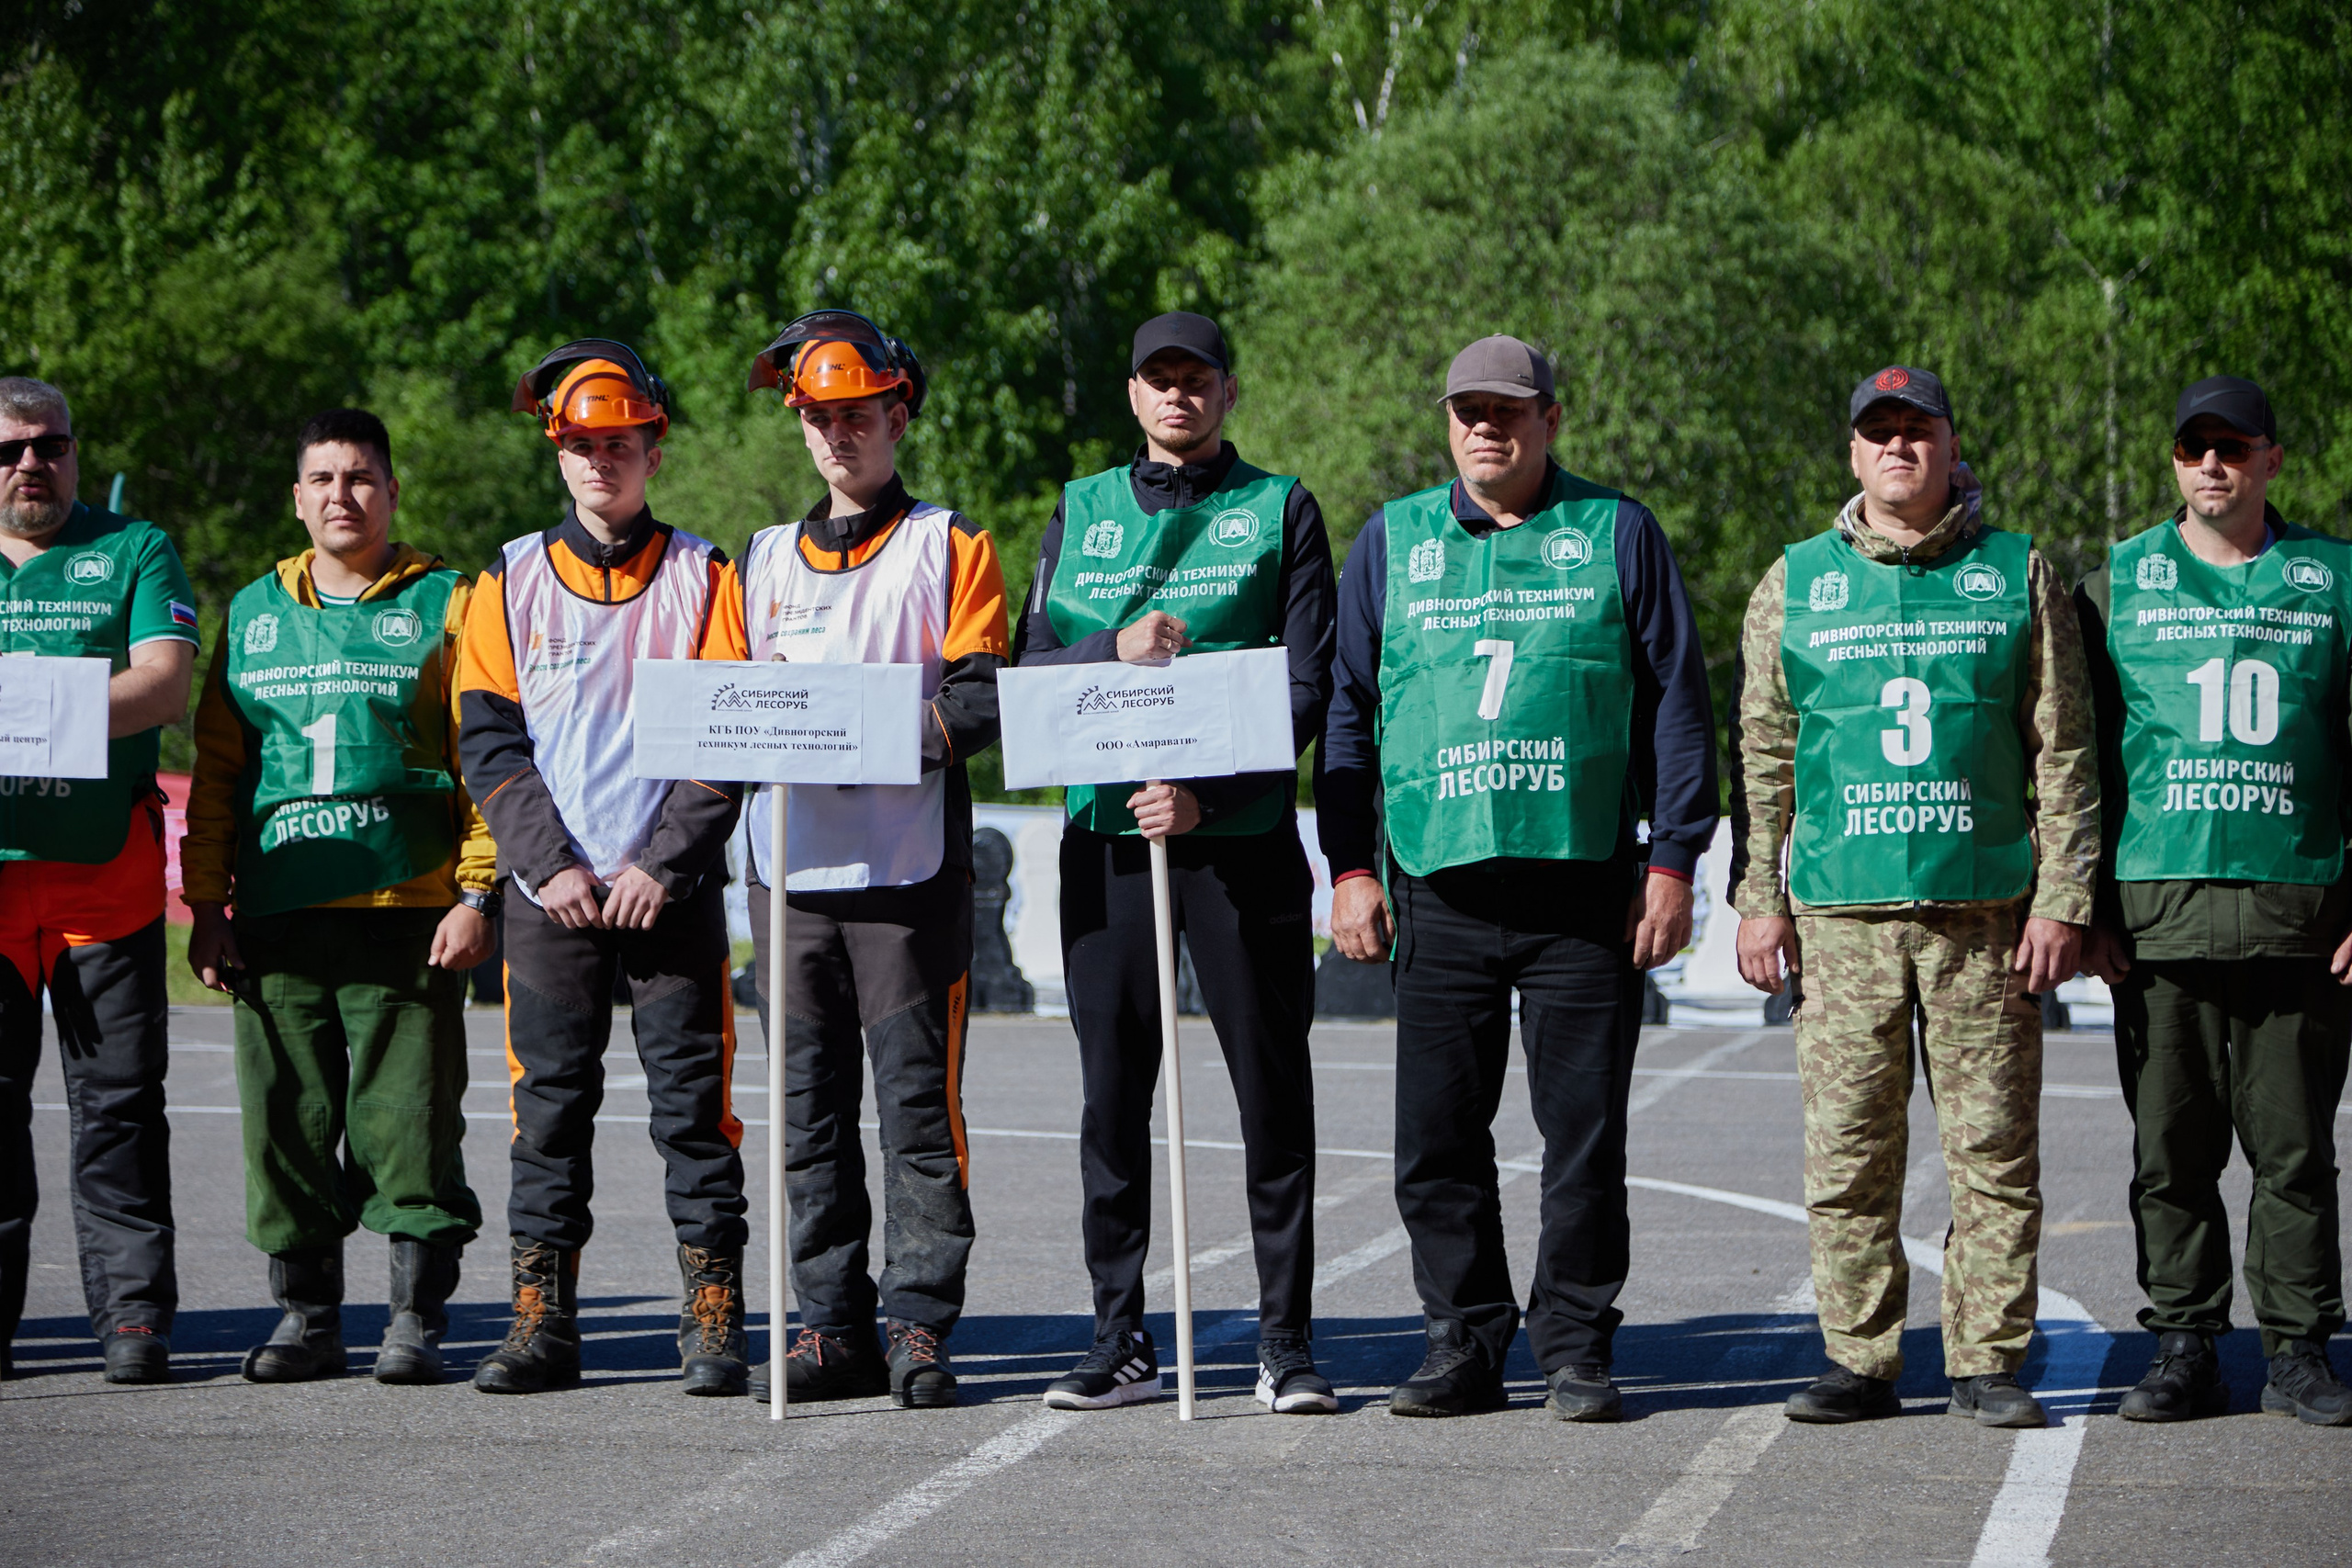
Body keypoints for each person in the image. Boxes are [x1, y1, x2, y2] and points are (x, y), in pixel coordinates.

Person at [1321, 335, 1717, 1421]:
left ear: (1550, 419)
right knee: (1435, 1141)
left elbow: (1678, 701)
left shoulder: (1616, 531)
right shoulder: (1392, 541)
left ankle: (1577, 1344)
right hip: (1438, 885)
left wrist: (1676, 860)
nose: (1485, 428)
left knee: (1582, 1135)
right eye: (1466, 411)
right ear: (1446, 423)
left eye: (1508, 409)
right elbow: (1349, 715)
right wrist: (1349, 865)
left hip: (1583, 884)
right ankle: (1462, 1342)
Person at [1729, 366, 2098, 1428]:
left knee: (1992, 1152)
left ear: (1947, 445)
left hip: (1983, 916)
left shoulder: (2014, 570)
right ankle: (1859, 1356)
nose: (1898, 448)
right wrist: (1760, 896)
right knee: (1847, 1151)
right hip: (1844, 917)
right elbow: (1763, 754)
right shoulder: (1796, 581)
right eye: (1877, 432)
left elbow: (2063, 748)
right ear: (1851, 453)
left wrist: (2064, 895)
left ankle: (1985, 1359)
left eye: (1916, 430)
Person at [1012, 311, 1339, 1413]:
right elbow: (1028, 674)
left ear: (1226, 393)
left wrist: (1210, 795)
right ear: (1134, 394)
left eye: (1197, 380)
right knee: (1112, 1102)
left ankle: (1285, 1343)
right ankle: (1120, 1336)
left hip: (1237, 848)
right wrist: (1115, 645)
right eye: (1159, 379)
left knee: (1269, 1096)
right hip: (1106, 842)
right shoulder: (1081, 508)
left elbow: (1307, 686)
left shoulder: (1280, 507)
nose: (1178, 396)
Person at [455, 341, 751, 1396]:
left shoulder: (708, 573)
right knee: (549, 1115)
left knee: (694, 1115)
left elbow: (730, 738)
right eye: (580, 446)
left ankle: (712, 1317)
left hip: (670, 898)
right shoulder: (511, 575)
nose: (599, 464)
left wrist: (663, 865)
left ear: (652, 450)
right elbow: (488, 742)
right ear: (559, 454)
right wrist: (551, 866)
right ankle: (541, 1322)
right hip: (553, 902)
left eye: (617, 445)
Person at [727, 311, 1010, 1409]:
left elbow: (982, 692)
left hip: (905, 879)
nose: (838, 434)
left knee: (917, 1120)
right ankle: (828, 1324)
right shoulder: (753, 559)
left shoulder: (950, 543)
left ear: (898, 413)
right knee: (804, 1118)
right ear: (800, 427)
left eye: (858, 414)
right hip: (787, 877)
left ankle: (919, 1323)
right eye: (818, 417)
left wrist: (872, 741)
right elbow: (721, 705)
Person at [182, 408, 496, 1385]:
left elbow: (485, 759)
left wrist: (476, 890)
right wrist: (205, 907)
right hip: (279, 918)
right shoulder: (254, 612)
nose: (341, 496)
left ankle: (415, 1316)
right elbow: (219, 776)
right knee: (286, 1120)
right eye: (322, 479)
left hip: (409, 913)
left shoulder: (453, 600)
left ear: (392, 491)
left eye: (360, 478)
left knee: (410, 1122)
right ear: (297, 498)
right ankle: (309, 1317)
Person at [2075, 375, 2352, 1427]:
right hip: (2158, 924)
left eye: (2232, 447)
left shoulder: (2331, 580)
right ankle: (2183, 1343)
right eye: (2194, 447)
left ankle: (2297, 1348)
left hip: (2302, 921)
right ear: (2173, 460)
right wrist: (2087, 902)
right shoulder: (2117, 584)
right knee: (2170, 1155)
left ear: (2272, 459)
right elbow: (2083, 760)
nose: (2211, 464)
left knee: (2294, 1156)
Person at [0, 377, 198, 1384]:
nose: (30, 465)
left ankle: (132, 1314)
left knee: (118, 1109)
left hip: (101, 884)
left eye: (49, 446)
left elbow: (164, 682)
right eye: (9, 451)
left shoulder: (133, 547)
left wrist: (22, 708)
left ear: (74, 453)